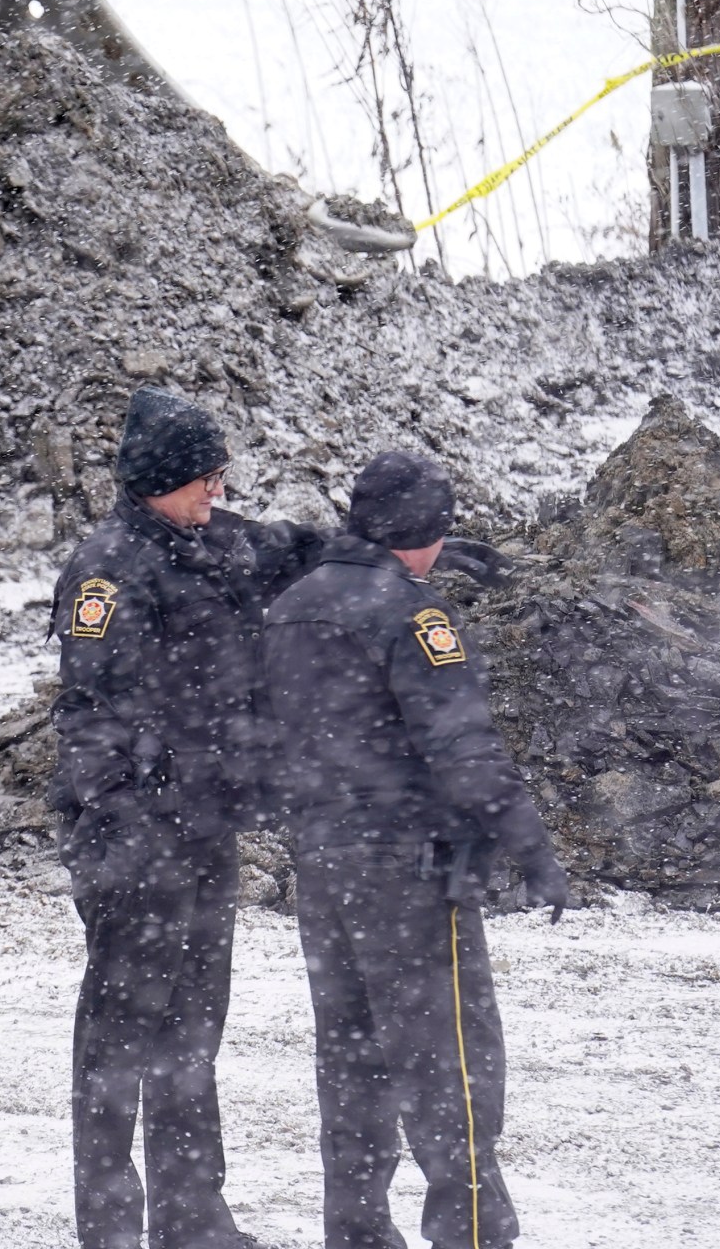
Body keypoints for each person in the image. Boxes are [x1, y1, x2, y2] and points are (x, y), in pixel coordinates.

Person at [261, 452, 568, 1249]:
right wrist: (528, 846)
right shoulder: (411, 617)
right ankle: (471, 1233)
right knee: (451, 1064)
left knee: (351, 1057)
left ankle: (356, 1232)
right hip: (409, 870)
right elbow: (460, 744)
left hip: (323, 864)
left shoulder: (293, 606)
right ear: (421, 530)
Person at [48, 387, 327, 1249]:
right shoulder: (108, 571)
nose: (218, 490)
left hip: (203, 828)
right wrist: (125, 829)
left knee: (194, 1027)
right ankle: (110, 1224)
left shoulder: (214, 540)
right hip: (133, 842)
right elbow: (90, 720)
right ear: (160, 480)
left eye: (221, 475)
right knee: (120, 1041)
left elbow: (297, 548)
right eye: (204, 477)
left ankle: (191, 1212)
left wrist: (389, 551)